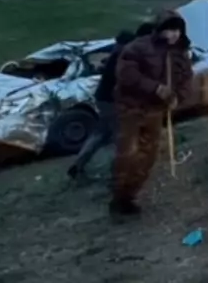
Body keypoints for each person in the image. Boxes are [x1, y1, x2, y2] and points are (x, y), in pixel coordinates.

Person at [109, 12, 194, 216]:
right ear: (160, 29)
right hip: (132, 108)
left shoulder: (180, 53)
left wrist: (178, 98)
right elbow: (125, 73)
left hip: (155, 112)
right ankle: (118, 196)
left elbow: (185, 79)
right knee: (127, 153)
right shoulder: (139, 47)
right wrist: (154, 87)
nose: (173, 35)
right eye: (169, 29)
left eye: (177, 30)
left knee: (148, 155)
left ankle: (130, 195)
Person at [68, 24, 153, 180]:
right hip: (112, 101)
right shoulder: (125, 56)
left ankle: (77, 166)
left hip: (103, 98)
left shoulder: (117, 52)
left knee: (100, 134)